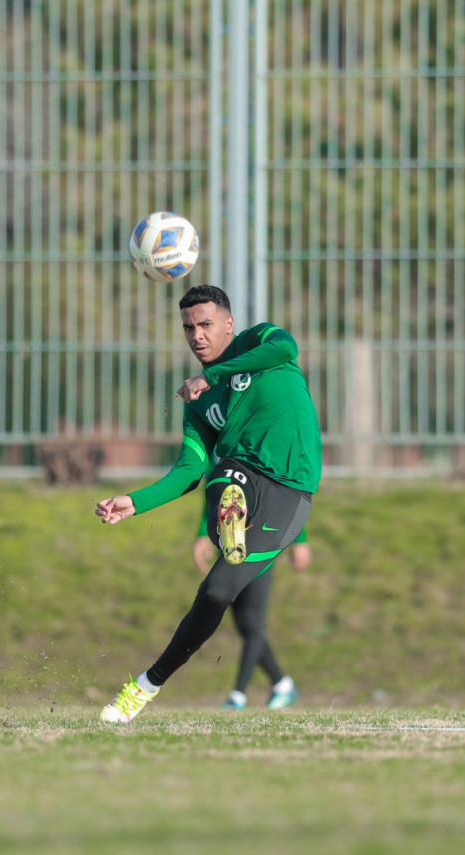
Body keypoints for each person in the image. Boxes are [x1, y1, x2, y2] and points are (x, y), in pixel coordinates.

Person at [95, 283, 322, 723]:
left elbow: (286, 347)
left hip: (291, 492)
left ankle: (231, 523)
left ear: (229, 324)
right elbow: (188, 470)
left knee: (221, 589)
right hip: (240, 477)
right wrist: (134, 502)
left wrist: (212, 376)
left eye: (205, 324)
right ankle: (143, 688)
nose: (197, 335)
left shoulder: (259, 341)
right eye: (188, 327)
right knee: (220, 484)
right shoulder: (198, 405)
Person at [192, 499, 312, 710]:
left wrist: (299, 539)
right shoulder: (214, 464)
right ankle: (282, 684)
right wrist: (203, 532)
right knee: (245, 625)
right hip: (231, 552)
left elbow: (292, 492)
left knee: (252, 625)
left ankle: (238, 694)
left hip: (260, 548)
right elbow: (213, 497)